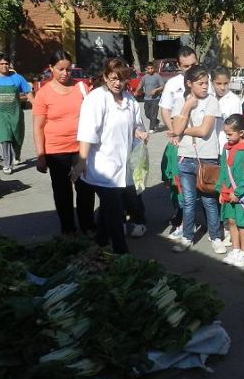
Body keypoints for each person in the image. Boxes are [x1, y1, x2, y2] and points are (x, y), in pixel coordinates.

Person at [75, 58, 147, 254]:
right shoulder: (97, 98)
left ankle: (99, 242)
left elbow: (135, 127)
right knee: (115, 210)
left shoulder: (130, 101)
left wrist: (139, 133)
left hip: (123, 166)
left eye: (122, 79)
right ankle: (121, 252)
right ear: (105, 77)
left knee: (109, 208)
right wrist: (81, 162)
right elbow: (87, 132)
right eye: (113, 78)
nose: (118, 83)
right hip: (102, 166)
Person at [32, 50, 95, 237]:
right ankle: (68, 228)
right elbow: (38, 127)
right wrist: (40, 156)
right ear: (51, 68)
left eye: (68, 69)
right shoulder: (43, 94)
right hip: (56, 152)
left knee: (85, 189)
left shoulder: (82, 88)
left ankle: (88, 225)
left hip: (80, 148)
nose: (65, 73)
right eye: (60, 69)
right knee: (62, 192)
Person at [169, 65, 224, 254]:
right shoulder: (180, 101)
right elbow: (174, 125)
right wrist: (187, 106)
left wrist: (180, 130)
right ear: (189, 83)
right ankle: (187, 236)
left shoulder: (212, 102)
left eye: (206, 83)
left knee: (209, 199)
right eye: (200, 83)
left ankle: (216, 236)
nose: (205, 87)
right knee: (189, 200)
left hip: (207, 157)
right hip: (185, 157)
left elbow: (204, 130)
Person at [159, 46, 201, 241]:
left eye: (194, 64)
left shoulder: (204, 81)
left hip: (201, 141)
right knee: (178, 184)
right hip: (179, 141)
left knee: (205, 183)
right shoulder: (173, 84)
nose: (190, 68)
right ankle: (182, 219)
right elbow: (165, 110)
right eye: (186, 66)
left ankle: (213, 223)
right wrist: (173, 132)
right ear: (178, 65)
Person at [0, 54, 31, 175]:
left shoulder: (17, 78)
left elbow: (28, 92)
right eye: (1, 64)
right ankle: (7, 164)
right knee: (5, 138)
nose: (4, 66)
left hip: (15, 113)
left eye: (6, 64)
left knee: (17, 137)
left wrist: (37, 107)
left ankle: (17, 155)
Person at [216, 114, 244, 268]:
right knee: (231, 221)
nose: (227, 137)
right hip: (227, 191)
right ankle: (235, 249)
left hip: (240, 193)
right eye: (226, 134)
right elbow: (224, 169)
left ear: (242, 132)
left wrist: (238, 192)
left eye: (230, 134)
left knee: (242, 223)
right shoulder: (226, 148)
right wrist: (221, 189)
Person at [212, 65, 241, 150]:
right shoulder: (209, 98)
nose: (222, 87)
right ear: (212, 82)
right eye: (218, 83)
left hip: (225, 147)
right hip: (209, 148)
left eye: (225, 83)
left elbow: (236, 127)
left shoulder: (234, 101)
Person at [139, 62, 164, 133]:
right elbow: (140, 84)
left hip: (156, 99)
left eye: (151, 68)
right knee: (147, 114)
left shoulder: (157, 76)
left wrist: (156, 90)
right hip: (147, 99)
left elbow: (162, 86)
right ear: (146, 69)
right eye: (148, 69)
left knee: (153, 113)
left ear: (154, 68)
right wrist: (137, 91)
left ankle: (152, 128)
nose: (150, 70)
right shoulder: (144, 77)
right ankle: (156, 121)